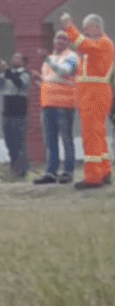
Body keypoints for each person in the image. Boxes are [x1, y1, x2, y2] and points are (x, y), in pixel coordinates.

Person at [64, 12, 114, 188]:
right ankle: (104, 170)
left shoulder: (101, 44)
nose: (84, 32)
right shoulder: (100, 45)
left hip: (94, 95)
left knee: (91, 135)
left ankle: (93, 177)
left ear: (97, 27)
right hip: (93, 93)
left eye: (87, 28)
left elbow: (81, 44)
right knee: (98, 134)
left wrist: (69, 26)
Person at [39, 29, 81, 184]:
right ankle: (51, 172)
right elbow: (49, 79)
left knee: (66, 139)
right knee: (50, 141)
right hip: (48, 103)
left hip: (64, 104)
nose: (61, 41)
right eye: (58, 38)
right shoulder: (49, 58)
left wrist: (48, 60)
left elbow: (65, 72)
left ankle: (68, 172)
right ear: (53, 41)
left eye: (64, 39)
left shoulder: (72, 57)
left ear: (68, 42)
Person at [0, 55, 32, 179]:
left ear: (24, 62)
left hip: (19, 114)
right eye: (13, 57)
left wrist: (6, 70)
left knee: (19, 143)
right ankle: (14, 168)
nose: (13, 59)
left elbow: (19, 83)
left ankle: (22, 171)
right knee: (10, 143)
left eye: (17, 58)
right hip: (7, 113)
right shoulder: (7, 74)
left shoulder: (25, 74)